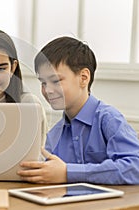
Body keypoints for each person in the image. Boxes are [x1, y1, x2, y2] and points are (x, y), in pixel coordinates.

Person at [18, 36, 139, 184]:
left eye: (55, 81)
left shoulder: (109, 120)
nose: (47, 90)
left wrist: (68, 173)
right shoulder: (54, 135)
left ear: (83, 77)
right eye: (43, 83)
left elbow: (135, 167)